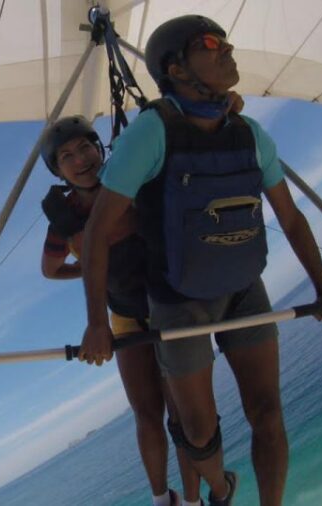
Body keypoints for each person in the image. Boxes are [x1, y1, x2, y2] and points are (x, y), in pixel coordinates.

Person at [78, 15, 322, 506]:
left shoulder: (248, 133)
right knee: (198, 431)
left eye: (224, 40)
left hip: (244, 286)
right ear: (176, 69)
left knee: (267, 411)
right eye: (210, 43)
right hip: (178, 300)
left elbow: (290, 217)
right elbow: (97, 232)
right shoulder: (152, 133)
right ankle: (221, 491)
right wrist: (98, 323)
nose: (227, 49)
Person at [39, 116, 200, 506]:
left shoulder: (131, 182)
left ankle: (194, 500)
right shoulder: (66, 218)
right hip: (125, 317)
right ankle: (163, 500)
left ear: (100, 149)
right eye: (67, 156)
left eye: (85, 148)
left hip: (169, 308)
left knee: (181, 413)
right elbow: (51, 269)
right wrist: (94, 268)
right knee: (147, 413)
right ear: (58, 170)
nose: (80, 159)